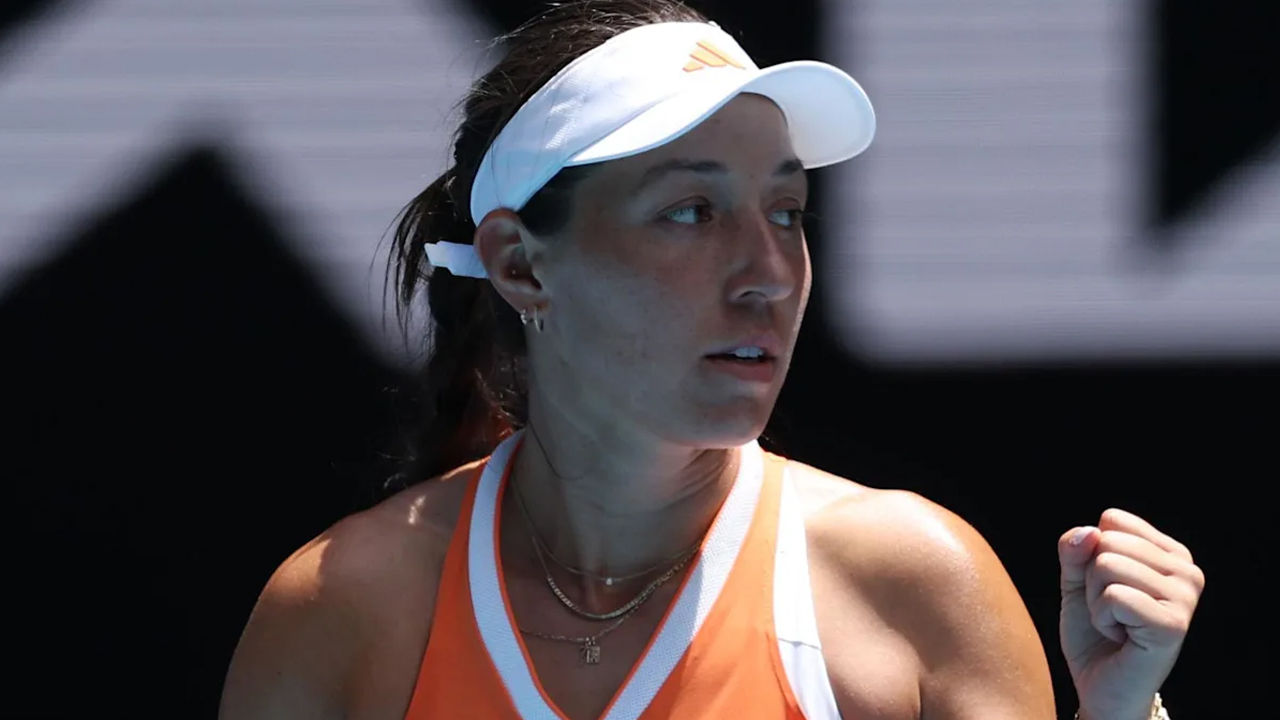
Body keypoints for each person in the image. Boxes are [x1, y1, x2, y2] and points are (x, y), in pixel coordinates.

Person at [218, 2, 1205, 719]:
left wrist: (1121, 718)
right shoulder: (341, 611)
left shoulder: (914, 585)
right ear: (521, 265)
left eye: (787, 212)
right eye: (691, 212)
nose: (768, 274)